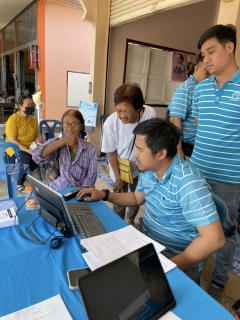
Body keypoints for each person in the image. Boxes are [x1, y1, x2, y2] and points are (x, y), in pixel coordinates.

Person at [77, 118, 225, 282]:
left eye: (140, 149)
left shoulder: (188, 184)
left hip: (174, 254)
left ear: (161, 153)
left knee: (128, 289)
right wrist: (104, 195)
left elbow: (214, 240)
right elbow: (135, 198)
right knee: (98, 259)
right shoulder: (149, 170)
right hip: (146, 238)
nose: (135, 154)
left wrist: (166, 266)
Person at [189, 24, 240, 301]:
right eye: (203, 54)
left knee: (225, 232)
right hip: (197, 171)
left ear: (229, 47)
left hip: (230, 178)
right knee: (195, 225)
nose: (205, 59)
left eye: (211, 51)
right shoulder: (201, 88)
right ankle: (192, 271)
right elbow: (201, 126)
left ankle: (219, 283)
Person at [101, 83, 156, 225]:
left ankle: (130, 219)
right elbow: (111, 153)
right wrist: (118, 177)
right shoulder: (110, 123)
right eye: (118, 110)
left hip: (141, 167)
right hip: (119, 168)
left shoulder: (150, 114)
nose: (122, 116)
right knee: (119, 200)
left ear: (139, 108)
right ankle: (117, 224)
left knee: (137, 197)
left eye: (126, 111)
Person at [33, 109, 97, 190]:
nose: (70, 128)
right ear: (62, 126)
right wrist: (63, 141)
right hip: (57, 189)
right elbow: (36, 157)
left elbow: (90, 178)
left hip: (78, 192)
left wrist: (82, 194)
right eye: (66, 124)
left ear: (81, 126)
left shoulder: (90, 149)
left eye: (74, 124)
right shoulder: (56, 143)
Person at [168, 53, 210, 160]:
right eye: (207, 72)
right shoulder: (187, 89)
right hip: (186, 148)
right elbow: (174, 120)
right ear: (196, 69)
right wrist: (179, 151)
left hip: (198, 148)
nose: (210, 77)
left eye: (212, 73)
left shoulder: (202, 89)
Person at [5, 95, 40, 192]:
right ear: (20, 107)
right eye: (28, 105)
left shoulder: (33, 120)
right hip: (14, 147)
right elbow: (12, 140)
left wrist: (38, 145)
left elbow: (37, 135)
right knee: (28, 159)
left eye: (31, 105)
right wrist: (28, 151)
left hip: (29, 146)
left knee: (41, 156)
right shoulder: (13, 120)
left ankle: (26, 173)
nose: (30, 107)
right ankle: (19, 182)